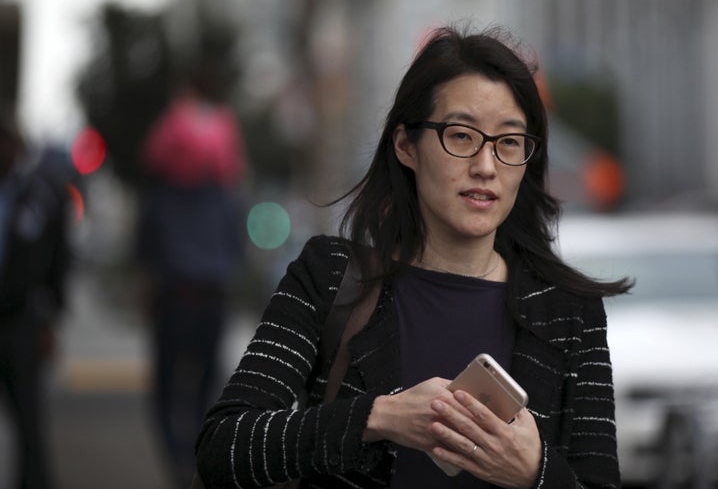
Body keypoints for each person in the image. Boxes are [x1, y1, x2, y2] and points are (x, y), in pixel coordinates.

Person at [194, 25, 633, 488]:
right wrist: (378, 417)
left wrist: (535, 473)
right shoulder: (329, 278)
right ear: (406, 145)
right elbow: (222, 447)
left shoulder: (569, 311)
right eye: (462, 136)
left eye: (508, 143)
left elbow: (597, 480)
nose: (486, 166)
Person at [136, 60, 247, 489]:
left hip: (173, 293)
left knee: (165, 386)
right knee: (206, 387)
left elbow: (146, 243)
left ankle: (176, 459)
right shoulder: (224, 191)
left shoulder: (161, 193)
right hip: (213, 293)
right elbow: (238, 243)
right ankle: (200, 460)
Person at [0, 110, 72, 489]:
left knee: (30, 424)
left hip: (20, 321)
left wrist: (50, 318)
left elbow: (57, 262)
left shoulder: (40, 195)